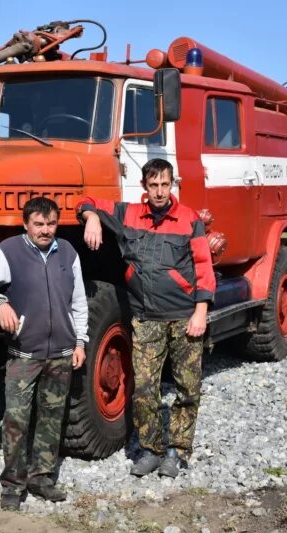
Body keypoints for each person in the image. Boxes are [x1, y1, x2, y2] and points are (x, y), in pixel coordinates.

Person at [76, 158, 215, 478]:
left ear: (172, 185)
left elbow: (204, 267)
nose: (160, 191)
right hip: (146, 320)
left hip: (184, 320)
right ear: (144, 187)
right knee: (144, 389)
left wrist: (201, 311)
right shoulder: (128, 215)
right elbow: (86, 200)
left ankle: (178, 452)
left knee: (187, 389)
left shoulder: (189, 220)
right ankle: (151, 449)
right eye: (153, 185)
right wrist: (92, 217)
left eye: (165, 185)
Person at [0, 196, 88, 510]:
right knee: (16, 421)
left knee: (51, 420)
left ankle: (42, 479)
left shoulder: (68, 252)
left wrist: (80, 343)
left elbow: (79, 303)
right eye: (39, 224)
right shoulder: (8, 252)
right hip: (24, 355)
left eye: (51, 224)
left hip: (62, 353)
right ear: (26, 224)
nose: (45, 230)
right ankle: (12, 486)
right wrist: (0, 304)